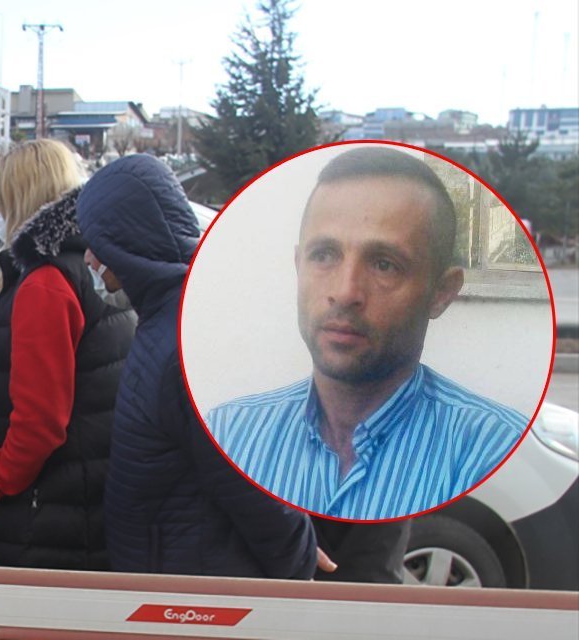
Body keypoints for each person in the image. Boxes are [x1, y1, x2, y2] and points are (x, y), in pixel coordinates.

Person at [206, 146, 528, 520]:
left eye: (384, 264)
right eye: (324, 255)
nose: (345, 292)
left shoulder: (496, 451)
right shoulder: (230, 432)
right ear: (299, 266)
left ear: (441, 292)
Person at [76, 153, 318, 579]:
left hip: (199, 597)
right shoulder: (170, 319)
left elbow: (252, 484)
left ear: (128, 242)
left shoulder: (190, 341)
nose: (91, 259)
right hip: (178, 580)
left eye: (99, 242)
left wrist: (299, 561)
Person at [0, 139, 135, 571]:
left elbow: (40, 423)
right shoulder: (93, 270)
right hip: (90, 507)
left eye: (0, 202)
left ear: (18, 201)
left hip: (47, 518)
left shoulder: (44, 284)